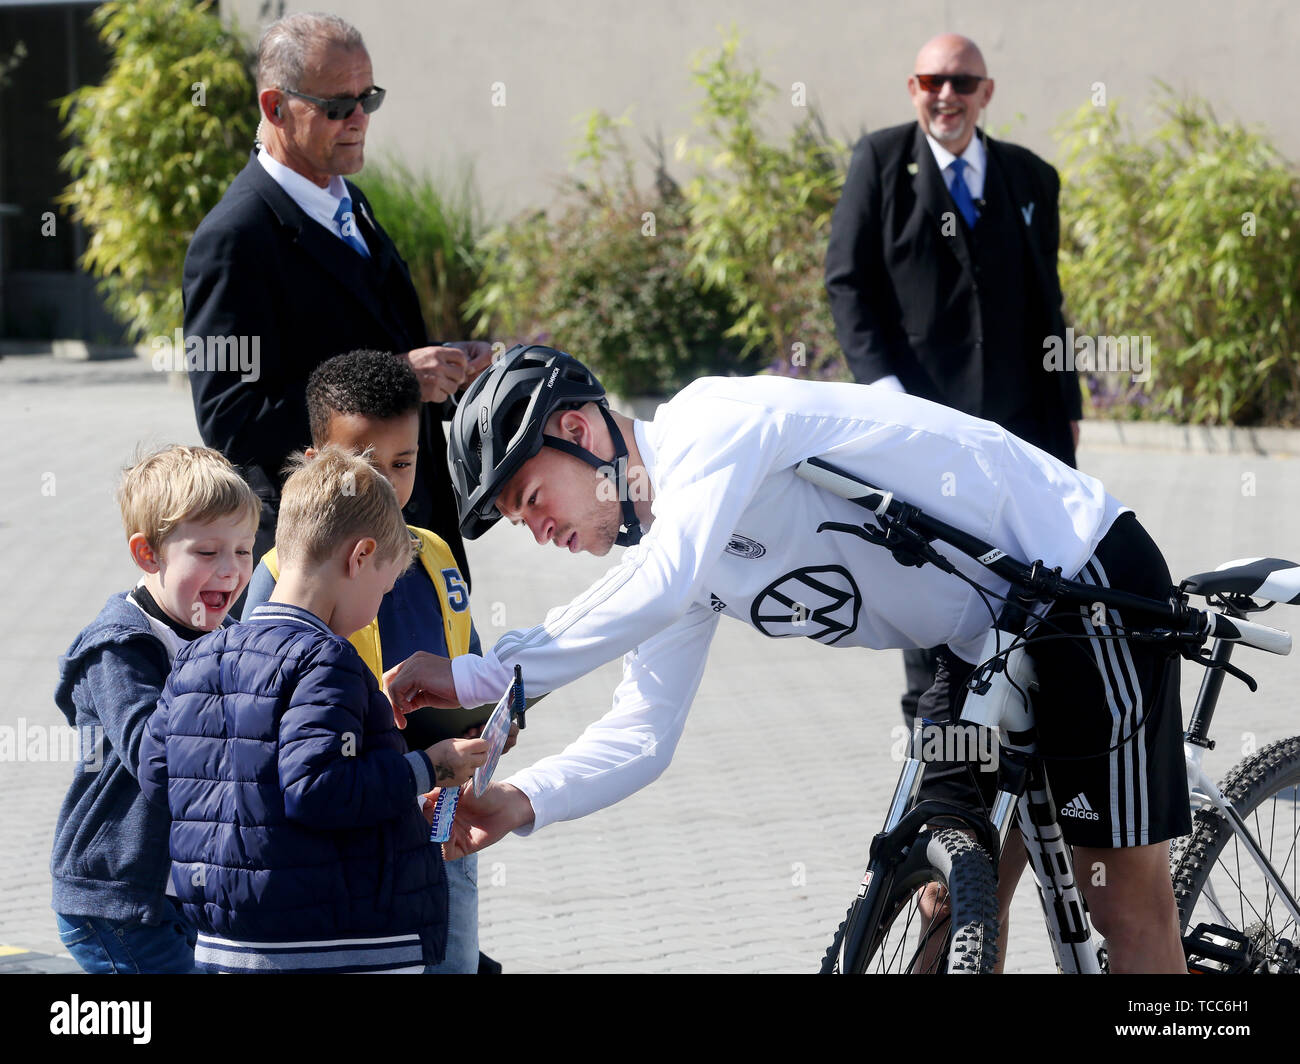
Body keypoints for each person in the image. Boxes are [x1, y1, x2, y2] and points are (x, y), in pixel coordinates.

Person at [383, 345, 1191, 974]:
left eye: (529, 499)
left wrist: (485, 676)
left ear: (580, 431)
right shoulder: (683, 555)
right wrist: (522, 799)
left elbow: (660, 587)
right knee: (948, 896)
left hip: (1080, 586)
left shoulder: (713, 425)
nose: (538, 530)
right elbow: (643, 730)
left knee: (1123, 912)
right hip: (985, 642)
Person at [139, 446, 489, 974]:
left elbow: (159, 774)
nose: (378, 607)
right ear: (360, 557)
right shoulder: (326, 660)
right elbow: (318, 789)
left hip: (225, 943)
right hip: (337, 945)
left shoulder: (199, 655)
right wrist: (430, 767)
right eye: (385, 587)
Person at [824, 32, 1084, 733]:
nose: (947, 95)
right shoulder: (880, 162)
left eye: (963, 83)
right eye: (932, 81)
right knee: (929, 580)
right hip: (924, 427)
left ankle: (1025, 729)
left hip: (1021, 427)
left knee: (1034, 582)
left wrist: (1068, 407)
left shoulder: (1031, 177)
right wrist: (883, 393)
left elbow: (1047, 302)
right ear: (913, 89)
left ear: (985, 94)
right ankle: (936, 754)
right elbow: (848, 284)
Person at [182, 11, 490, 580]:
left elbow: (380, 344)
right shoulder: (234, 239)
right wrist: (395, 378)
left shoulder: (351, 202)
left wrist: (454, 369)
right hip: (328, 563)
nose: (357, 120)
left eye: (366, 100)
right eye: (336, 107)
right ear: (275, 107)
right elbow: (231, 421)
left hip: (414, 543)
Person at [241, 348, 500, 974]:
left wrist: (488, 728)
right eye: (362, 464)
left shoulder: (436, 555)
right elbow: (260, 728)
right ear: (314, 462)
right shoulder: (280, 574)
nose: (385, 481)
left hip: (442, 829)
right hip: (347, 848)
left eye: (403, 462)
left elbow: (469, 669)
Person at [50, 445, 260, 973]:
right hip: (117, 897)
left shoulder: (228, 635)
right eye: (208, 553)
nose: (231, 572)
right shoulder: (119, 647)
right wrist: (215, 668)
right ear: (148, 555)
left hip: (191, 890)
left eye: (243, 551)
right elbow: (155, 757)